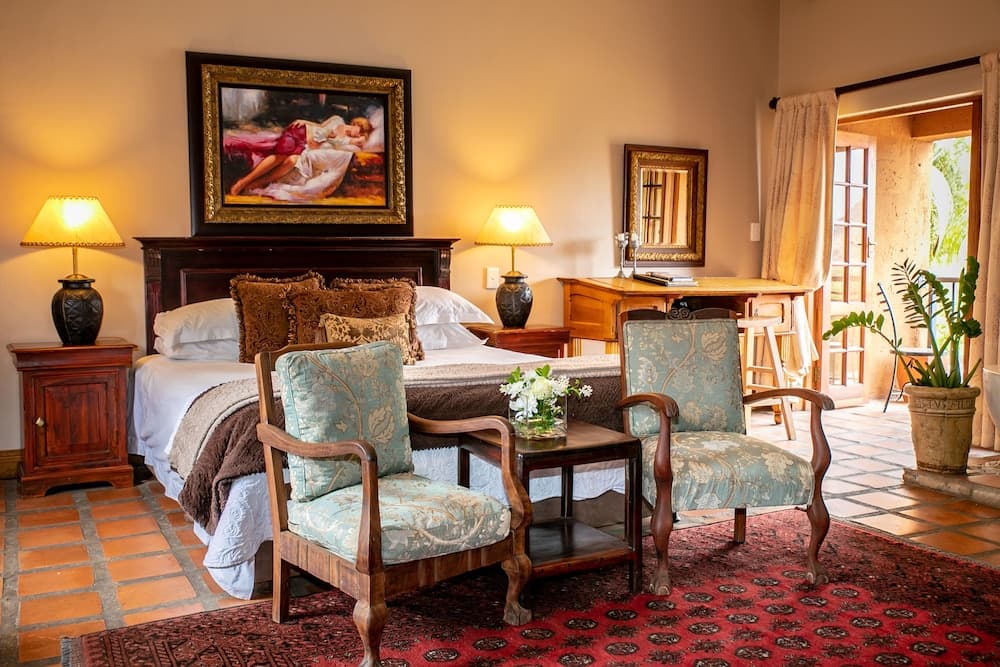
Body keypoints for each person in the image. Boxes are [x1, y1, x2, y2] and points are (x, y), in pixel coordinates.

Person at [227, 116, 371, 196]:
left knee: (292, 161)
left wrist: (356, 140)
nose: (357, 134)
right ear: (356, 123)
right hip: (300, 132)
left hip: (304, 146)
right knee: (281, 156)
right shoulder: (338, 120)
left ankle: (256, 183)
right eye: (360, 130)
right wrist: (303, 121)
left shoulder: (346, 141)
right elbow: (320, 125)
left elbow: (357, 144)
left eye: (361, 133)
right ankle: (243, 182)